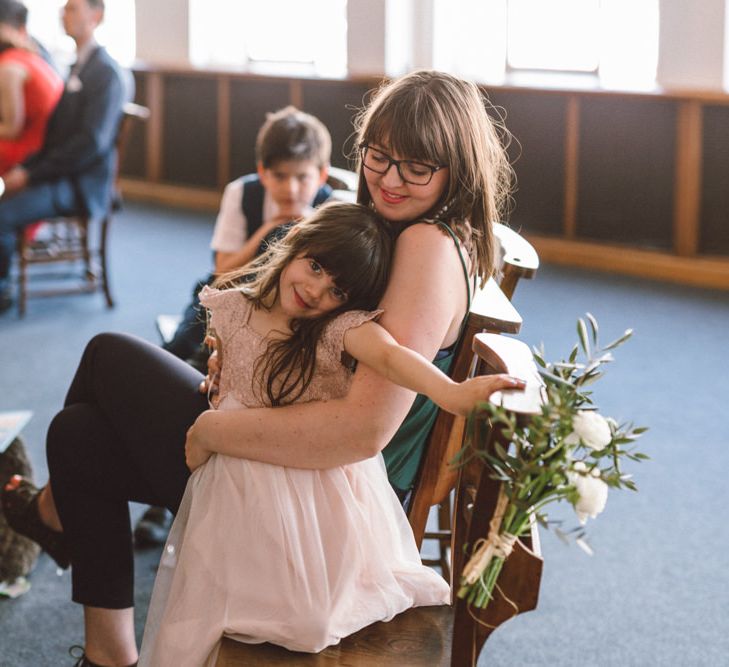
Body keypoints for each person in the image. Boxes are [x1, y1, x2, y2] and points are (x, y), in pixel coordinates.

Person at [2, 70, 520, 667]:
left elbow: (362, 431)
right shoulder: (417, 229)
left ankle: (51, 517)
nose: (388, 180)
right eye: (378, 156)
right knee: (79, 435)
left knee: (106, 358)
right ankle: (107, 652)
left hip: (320, 508)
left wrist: (212, 429)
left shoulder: (426, 247)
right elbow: (322, 341)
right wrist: (249, 354)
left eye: (417, 168)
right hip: (294, 458)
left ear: (457, 170)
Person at [139, 201, 516, 664]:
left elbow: (394, 358)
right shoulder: (232, 305)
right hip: (236, 463)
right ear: (295, 246)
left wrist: (450, 392)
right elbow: (226, 363)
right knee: (211, 586)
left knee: (303, 608)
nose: (315, 290)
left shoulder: (334, 330)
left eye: (336, 290)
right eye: (314, 266)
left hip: (302, 474)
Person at [162, 105, 333, 366]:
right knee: (179, 346)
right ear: (263, 173)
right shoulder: (242, 192)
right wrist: (270, 227)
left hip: (278, 307)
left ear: (321, 175)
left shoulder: (328, 208)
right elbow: (222, 271)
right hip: (225, 290)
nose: (291, 188)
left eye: (302, 177)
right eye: (280, 176)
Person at [0, 0, 124, 314]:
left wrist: (31, 175)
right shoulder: (76, 65)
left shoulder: (106, 72)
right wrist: (26, 168)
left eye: (72, 8)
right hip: (60, 173)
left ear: (96, 16)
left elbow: (90, 144)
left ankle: (2, 291)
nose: (63, 13)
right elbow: (53, 138)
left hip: (81, 183)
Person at [0, 0, 63, 174]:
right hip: (45, 141)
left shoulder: (9, 67)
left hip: (32, 151)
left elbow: (12, 129)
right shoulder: (29, 54)